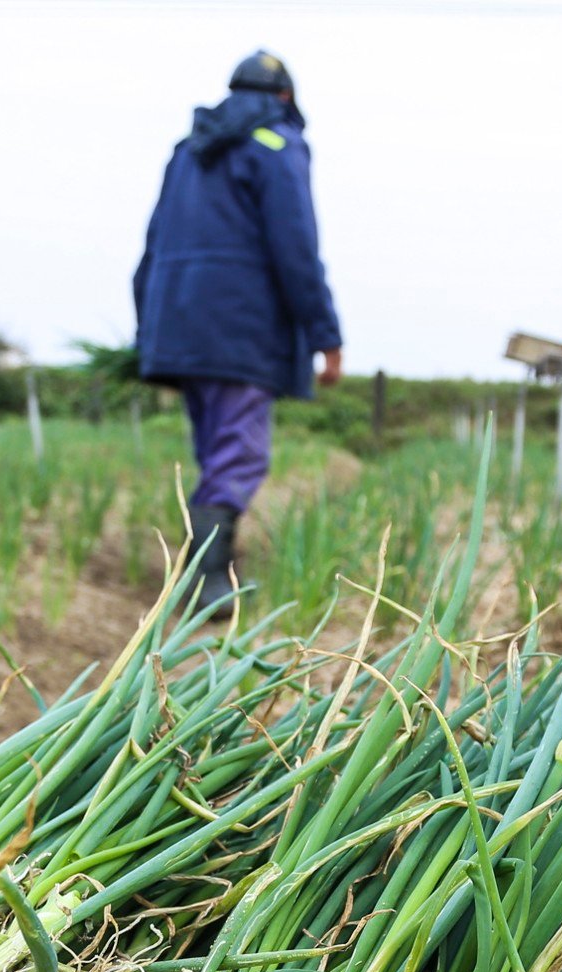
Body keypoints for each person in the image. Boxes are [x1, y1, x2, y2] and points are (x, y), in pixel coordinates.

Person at [133, 50, 342, 614]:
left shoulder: (187, 152)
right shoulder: (276, 144)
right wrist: (325, 332)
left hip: (177, 322)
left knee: (216, 450)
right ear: (285, 99)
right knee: (239, 453)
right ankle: (208, 585)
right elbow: (296, 247)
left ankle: (209, 571)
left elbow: (151, 248)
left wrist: (147, 331)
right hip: (241, 327)